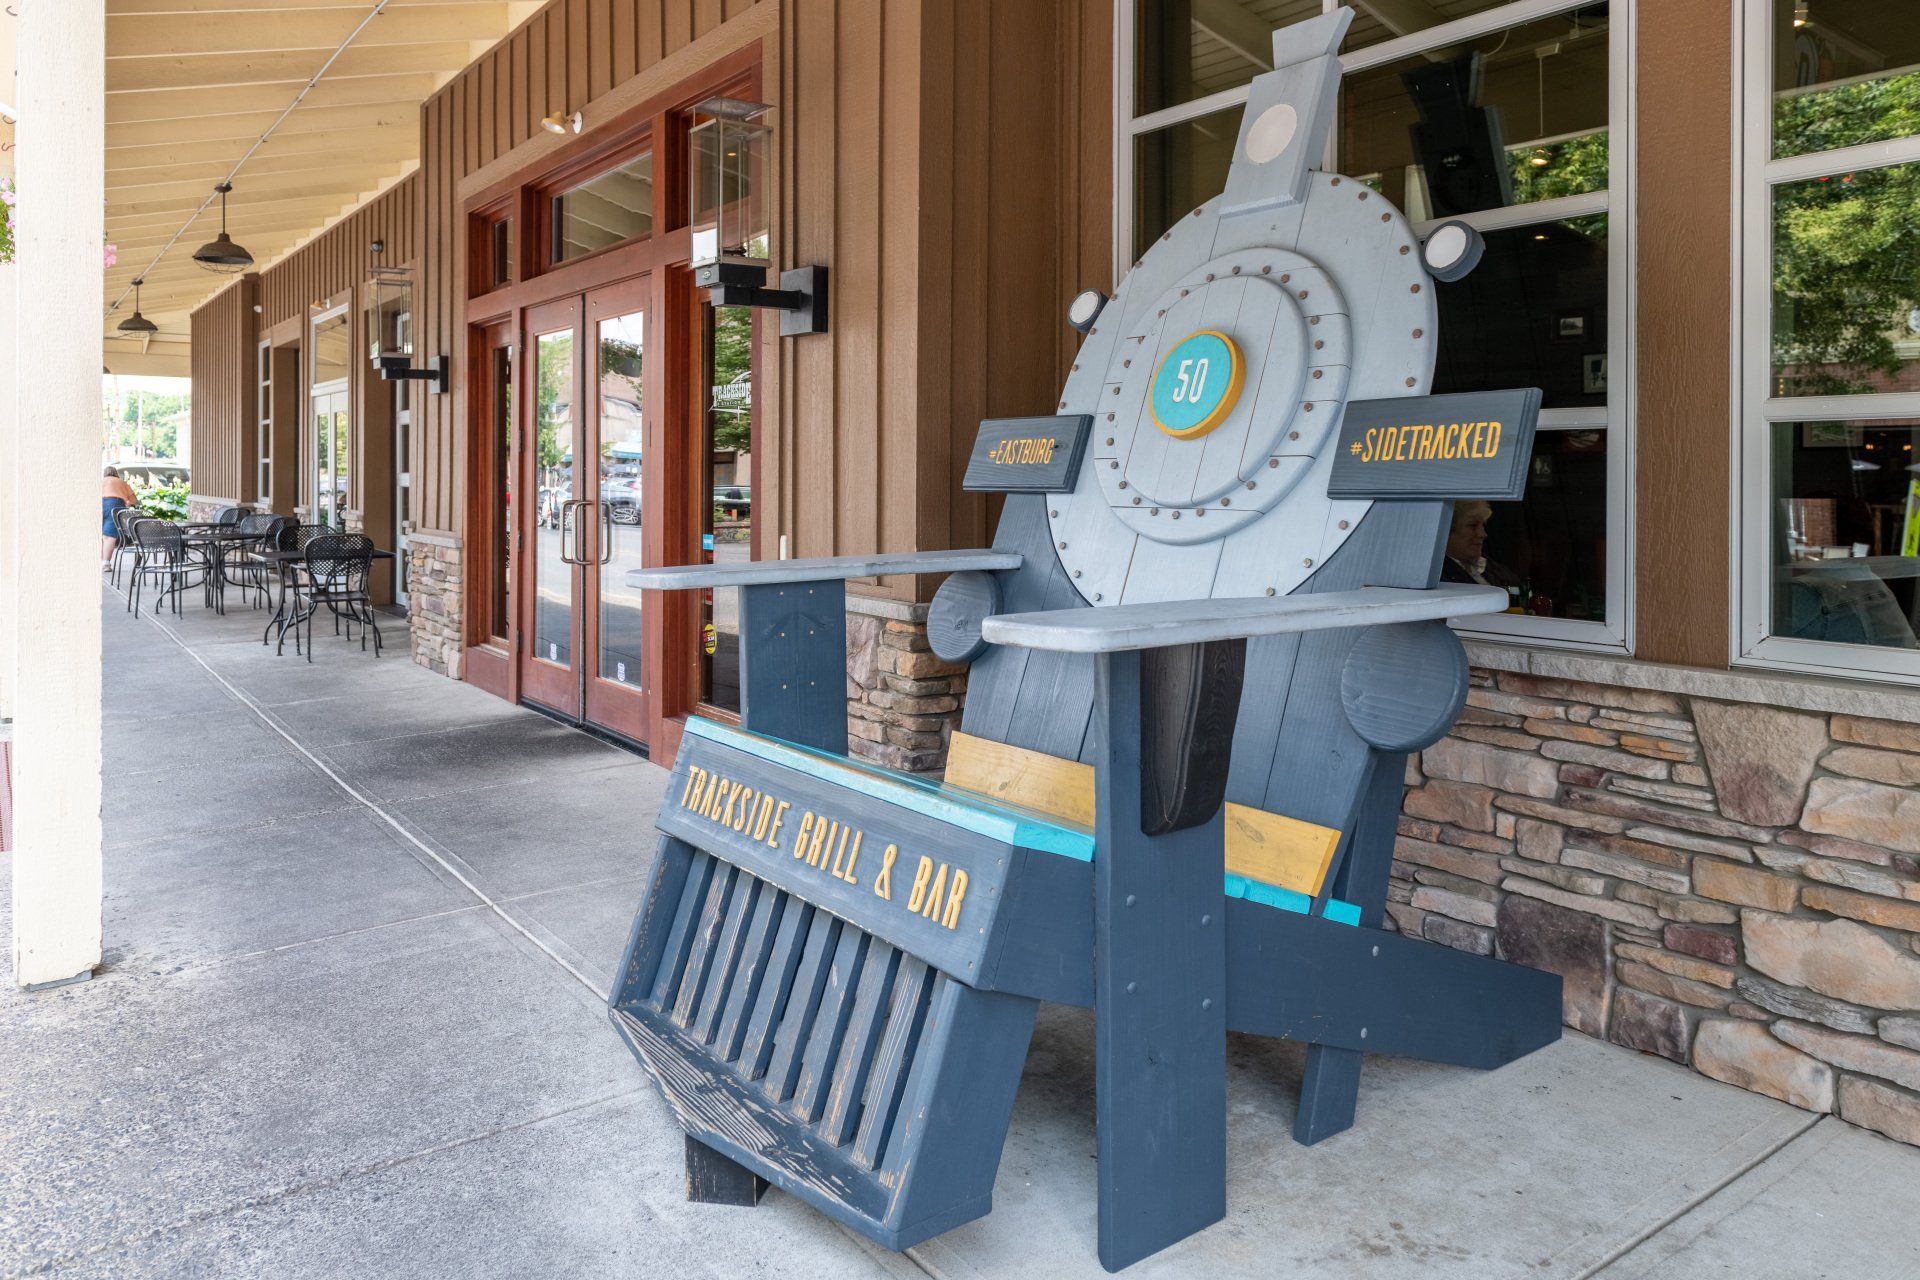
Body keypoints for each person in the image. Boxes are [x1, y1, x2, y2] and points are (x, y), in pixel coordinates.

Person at [1441, 499, 1526, 602]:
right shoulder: (1438, 578)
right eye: (1473, 526)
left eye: (1483, 526)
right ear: (1446, 529)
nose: (1483, 534)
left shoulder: (1492, 567)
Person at [102, 465, 137, 565]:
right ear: (116, 473)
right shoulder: (121, 482)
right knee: (109, 536)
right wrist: (127, 503)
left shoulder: (100, 481)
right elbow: (133, 500)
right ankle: (105, 563)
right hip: (114, 504)